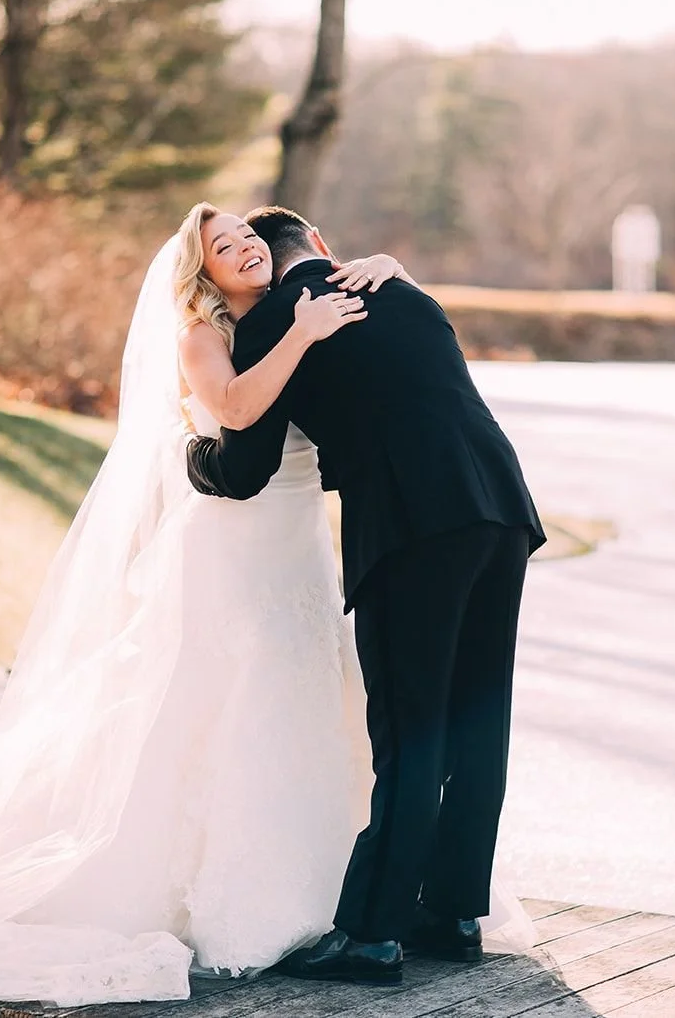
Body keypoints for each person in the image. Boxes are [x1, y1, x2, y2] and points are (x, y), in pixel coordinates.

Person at [0, 206, 437, 1006]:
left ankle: (337, 898)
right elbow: (241, 410)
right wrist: (304, 333)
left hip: (299, 546)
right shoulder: (203, 335)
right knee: (232, 707)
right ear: (203, 273)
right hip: (234, 550)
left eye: (248, 236)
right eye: (223, 246)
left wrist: (387, 268)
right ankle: (228, 901)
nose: (244, 247)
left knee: (306, 703)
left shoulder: (302, 307)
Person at [186, 204, 545, 987]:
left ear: (275, 260)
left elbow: (243, 469)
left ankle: (371, 934)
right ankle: (451, 913)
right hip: (503, 507)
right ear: (320, 245)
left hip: (415, 526)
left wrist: (192, 461)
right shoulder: (404, 291)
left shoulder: (278, 320)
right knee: (479, 718)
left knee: (410, 729)